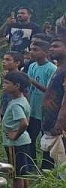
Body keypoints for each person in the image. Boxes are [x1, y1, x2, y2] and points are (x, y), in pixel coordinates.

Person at [1, 70, 35, 188]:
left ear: (17, 86)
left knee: (16, 174)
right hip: (24, 141)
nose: (4, 85)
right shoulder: (23, 100)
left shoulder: (16, 105)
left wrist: (15, 135)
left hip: (15, 143)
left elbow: (24, 123)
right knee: (22, 171)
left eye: (7, 83)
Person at [26, 35, 57, 165]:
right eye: (31, 49)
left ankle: (47, 166)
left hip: (45, 111)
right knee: (30, 138)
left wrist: (32, 81)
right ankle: (31, 164)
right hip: (32, 110)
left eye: (35, 50)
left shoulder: (52, 69)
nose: (31, 52)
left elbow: (50, 91)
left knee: (47, 139)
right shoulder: (32, 66)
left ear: (45, 52)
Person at [39, 36, 66, 170]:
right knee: (50, 163)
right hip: (51, 123)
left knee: (60, 165)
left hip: (59, 127)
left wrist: (59, 123)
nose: (51, 49)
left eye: (56, 46)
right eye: (51, 46)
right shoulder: (59, 68)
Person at [0, 52, 21, 129]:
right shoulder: (5, 76)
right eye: (3, 59)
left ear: (17, 63)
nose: (3, 62)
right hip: (5, 110)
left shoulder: (20, 78)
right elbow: (3, 95)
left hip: (15, 113)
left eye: (8, 59)